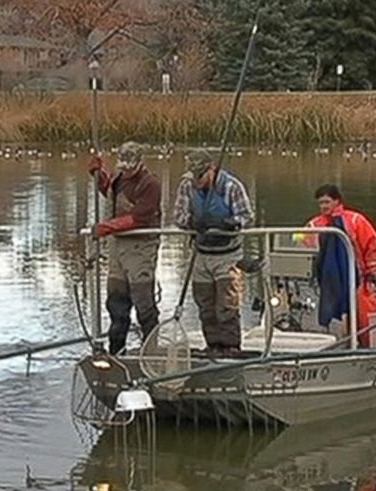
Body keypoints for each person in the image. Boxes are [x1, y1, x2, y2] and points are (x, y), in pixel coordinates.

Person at [173, 149, 254, 356]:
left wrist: (228, 223)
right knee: (205, 304)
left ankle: (231, 347)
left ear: (212, 169)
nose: (197, 181)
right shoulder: (187, 186)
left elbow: (246, 216)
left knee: (227, 305)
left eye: (201, 175)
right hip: (201, 254)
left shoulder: (231, 187)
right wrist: (191, 222)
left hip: (227, 255)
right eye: (194, 176)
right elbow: (178, 216)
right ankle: (212, 345)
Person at [87, 141, 162, 355]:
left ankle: (152, 351)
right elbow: (110, 194)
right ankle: (116, 350)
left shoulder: (150, 184)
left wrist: (107, 227)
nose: (126, 170)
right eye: (123, 165)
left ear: (140, 162)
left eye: (130, 166)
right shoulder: (118, 179)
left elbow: (141, 216)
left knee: (143, 302)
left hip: (140, 246)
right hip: (117, 248)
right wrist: (98, 174)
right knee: (116, 302)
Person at [301, 184, 376, 347]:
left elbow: (371, 246)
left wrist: (372, 272)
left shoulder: (355, 220)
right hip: (328, 280)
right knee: (329, 316)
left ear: (337, 201)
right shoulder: (314, 225)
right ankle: (335, 343)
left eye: (327, 202)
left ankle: (365, 347)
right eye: (321, 203)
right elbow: (302, 245)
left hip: (356, 277)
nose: (323, 206)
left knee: (364, 317)